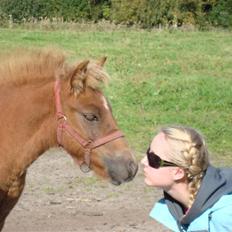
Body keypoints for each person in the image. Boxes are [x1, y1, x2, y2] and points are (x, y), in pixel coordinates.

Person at [141, 125, 232, 232]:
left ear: (178, 172)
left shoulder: (225, 217)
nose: (143, 161)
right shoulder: (178, 209)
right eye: (147, 152)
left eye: (153, 159)